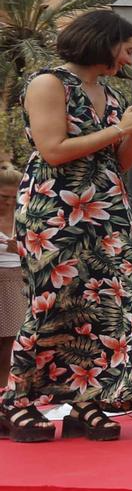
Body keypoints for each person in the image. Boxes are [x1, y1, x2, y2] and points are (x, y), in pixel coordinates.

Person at [3, 11, 132, 443]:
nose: (129, 58)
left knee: (113, 303)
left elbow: (122, 161)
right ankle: (16, 403)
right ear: (104, 42)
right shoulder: (49, 84)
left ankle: (87, 400)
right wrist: (121, 128)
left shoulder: (110, 94)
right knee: (54, 302)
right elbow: (54, 149)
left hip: (108, 212)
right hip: (56, 210)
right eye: (128, 49)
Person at [0, 167, 26, 396]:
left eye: (12, 197)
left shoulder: (25, 216)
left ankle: (6, 393)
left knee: (12, 339)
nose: (8, 202)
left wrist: (20, 247)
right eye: (3, 197)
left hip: (18, 279)